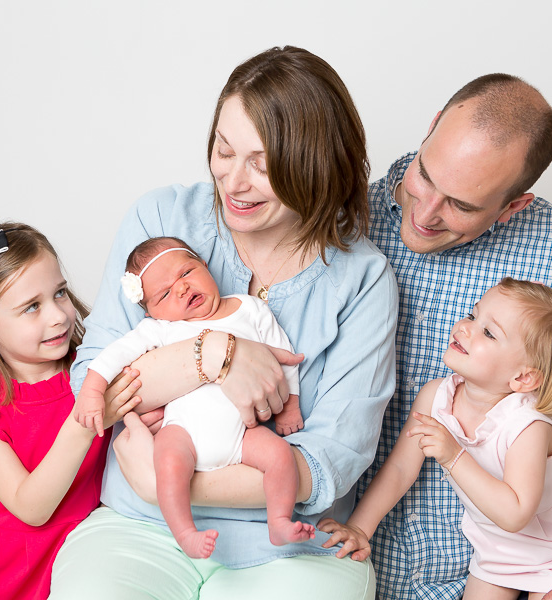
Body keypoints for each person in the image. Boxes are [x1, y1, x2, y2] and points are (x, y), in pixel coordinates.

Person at [49, 46, 398, 599]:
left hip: (292, 548)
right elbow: (96, 379)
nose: (233, 182)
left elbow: (332, 459)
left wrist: (160, 479)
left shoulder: (363, 278)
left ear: (316, 163)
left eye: (261, 164)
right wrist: (213, 356)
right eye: (223, 150)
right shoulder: (161, 221)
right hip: (143, 528)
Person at [363, 74, 552, 600]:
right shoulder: (340, 219)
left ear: (513, 205)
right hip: (348, 567)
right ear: (432, 126)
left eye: (462, 205)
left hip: (508, 578)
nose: (427, 212)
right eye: (425, 175)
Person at [321, 279, 552, 599]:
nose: (465, 327)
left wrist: (454, 456)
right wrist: (360, 528)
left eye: (488, 332)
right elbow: (401, 468)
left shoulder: (528, 426)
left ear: (523, 377)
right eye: (473, 315)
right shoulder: (436, 397)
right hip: (499, 547)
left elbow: (515, 512)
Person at [74, 236, 314, 559]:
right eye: (164, 293)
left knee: (281, 457)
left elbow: (283, 357)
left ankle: (279, 520)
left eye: (185, 273)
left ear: (203, 264)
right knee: (167, 466)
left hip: (243, 435)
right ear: (152, 310)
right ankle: (185, 532)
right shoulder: (161, 329)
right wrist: (92, 389)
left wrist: (290, 405)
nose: (182, 289)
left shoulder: (249, 309)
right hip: (183, 432)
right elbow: (114, 355)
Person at [0, 223, 140, 599]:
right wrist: (88, 419)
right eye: (32, 307)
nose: (59, 315)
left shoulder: (93, 368)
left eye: (59, 293)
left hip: (94, 556)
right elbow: (31, 507)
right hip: (9, 572)